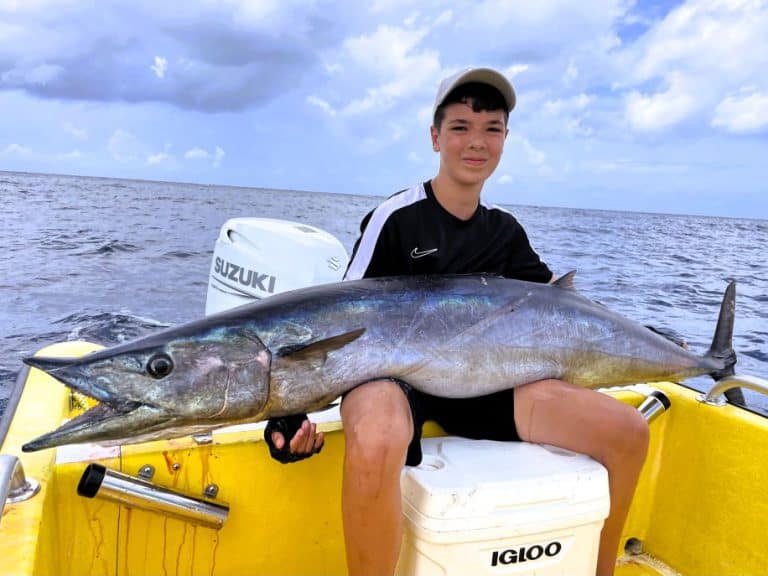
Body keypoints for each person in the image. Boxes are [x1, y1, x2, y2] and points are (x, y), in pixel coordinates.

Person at [265, 67, 650, 576]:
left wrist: (656, 344)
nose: (476, 142)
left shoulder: (505, 232)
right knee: (377, 432)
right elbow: (335, 319)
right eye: (461, 127)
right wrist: (288, 413)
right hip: (398, 384)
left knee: (628, 430)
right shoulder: (398, 218)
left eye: (492, 128)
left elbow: (562, 308)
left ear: (505, 140)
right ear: (435, 137)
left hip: (484, 386)